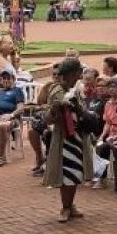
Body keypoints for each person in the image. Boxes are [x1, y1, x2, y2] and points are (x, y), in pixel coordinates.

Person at [42, 58, 93, 222]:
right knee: (66, 175)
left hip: (77, 136)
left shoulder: (75, 90)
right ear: (72, 73)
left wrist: (78, 108)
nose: (80, 75)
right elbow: (48, 119)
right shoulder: (56, 91)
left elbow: (83, 112)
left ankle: (70, 205)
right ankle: (65, 207)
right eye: (78, 72)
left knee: (75, 173)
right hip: (64, 138)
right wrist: (56, 109)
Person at [0, 70, 25, 166]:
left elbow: (21, 108)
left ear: (13, 79)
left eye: (8, 78)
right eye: (3, 79)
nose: (5, 80)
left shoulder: (17, 91)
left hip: (13, 118)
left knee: (2, 126)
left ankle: (1, 156)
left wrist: (10, 115)